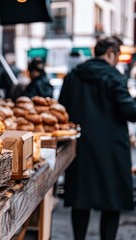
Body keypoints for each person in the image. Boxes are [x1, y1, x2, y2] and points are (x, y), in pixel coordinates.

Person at [59, 35, 136, 240]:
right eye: (118, 55)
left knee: (81, 200)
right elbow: (130, 112)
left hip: (82, 148)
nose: (118, 60)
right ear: (111, 53)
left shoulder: (73, 76)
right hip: (112, 150)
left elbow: (62, 111)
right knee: (112, 202)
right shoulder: (114, 76)